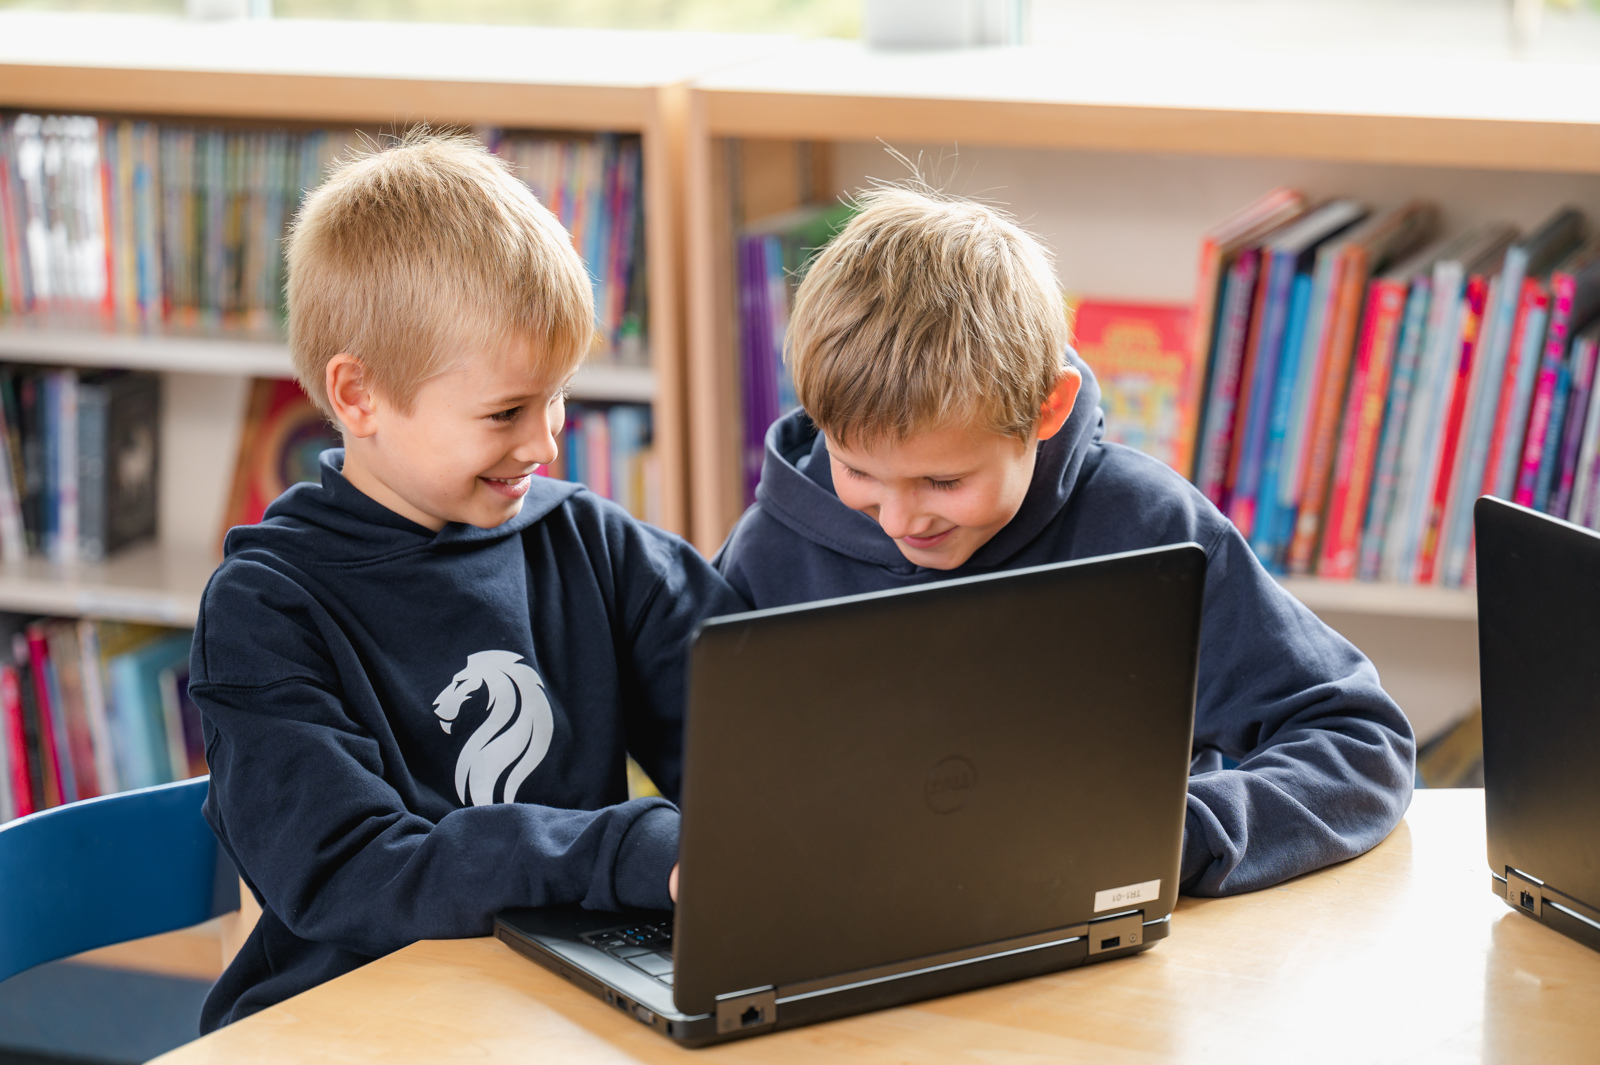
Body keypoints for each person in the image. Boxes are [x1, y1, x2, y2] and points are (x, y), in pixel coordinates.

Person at [715, 184, 1415, 896]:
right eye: (857, 469)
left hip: (1102, 954)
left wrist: (1185, 836)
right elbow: (708, 782)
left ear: (1048, 408)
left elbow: (1361, 739)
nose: (898, 520)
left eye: (943, 482)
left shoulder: (1150, 530)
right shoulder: (771, 546)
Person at [192, 133, 744, 1030]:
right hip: (353, 1021)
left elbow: (750, 720)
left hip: (564, 1003)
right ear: (359, 396)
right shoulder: (266, 610)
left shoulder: (586, 542)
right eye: (505, 413)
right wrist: (625, 849)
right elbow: (353, 873)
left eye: (556, 397)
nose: (544, 443)